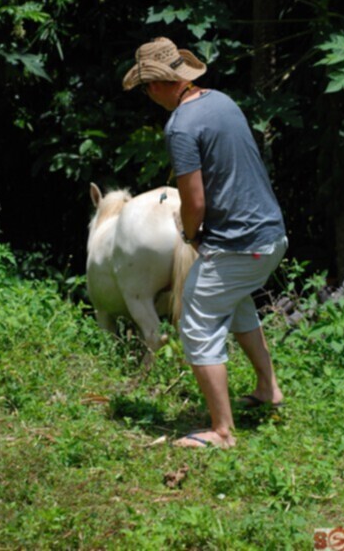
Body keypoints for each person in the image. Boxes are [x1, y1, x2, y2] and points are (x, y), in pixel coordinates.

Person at [122, 37, 288, 449]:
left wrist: (188, 233)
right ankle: (268, 389)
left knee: (196, 320)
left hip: (240, 243)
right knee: (234, 301)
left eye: (146, 86)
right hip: (271, 235)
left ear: (163, 83)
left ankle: (221, 431)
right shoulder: (221, 101)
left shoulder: (180, 126)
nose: (147, 95)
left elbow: (193, 201)